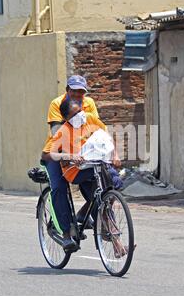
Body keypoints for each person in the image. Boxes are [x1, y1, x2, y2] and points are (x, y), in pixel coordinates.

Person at [42, 100, 126, 256]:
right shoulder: (63, 131)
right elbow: (47, 154)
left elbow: (106, 137)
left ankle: (116, 243)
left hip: (94, 164)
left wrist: (115, 155)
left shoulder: (90, 119)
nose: (79, 115)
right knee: (63, 191)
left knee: (111, 188)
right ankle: (68, 232)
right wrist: (69, 156)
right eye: (74, 114)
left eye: (80, 111)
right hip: (75, 171)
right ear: (66, 117)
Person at [41, 75, 100, 250]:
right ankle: (66, 234)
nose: (77, 95)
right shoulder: (56, 104)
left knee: (101, 183)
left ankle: (84, 215)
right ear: (67, 90)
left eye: (81, 92)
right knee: (59, 187)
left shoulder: (89, 103)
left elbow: (94, 127)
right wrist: (69, 157)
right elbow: (57, 133)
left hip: (81, 151)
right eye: (73, 91)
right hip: (57, 151)